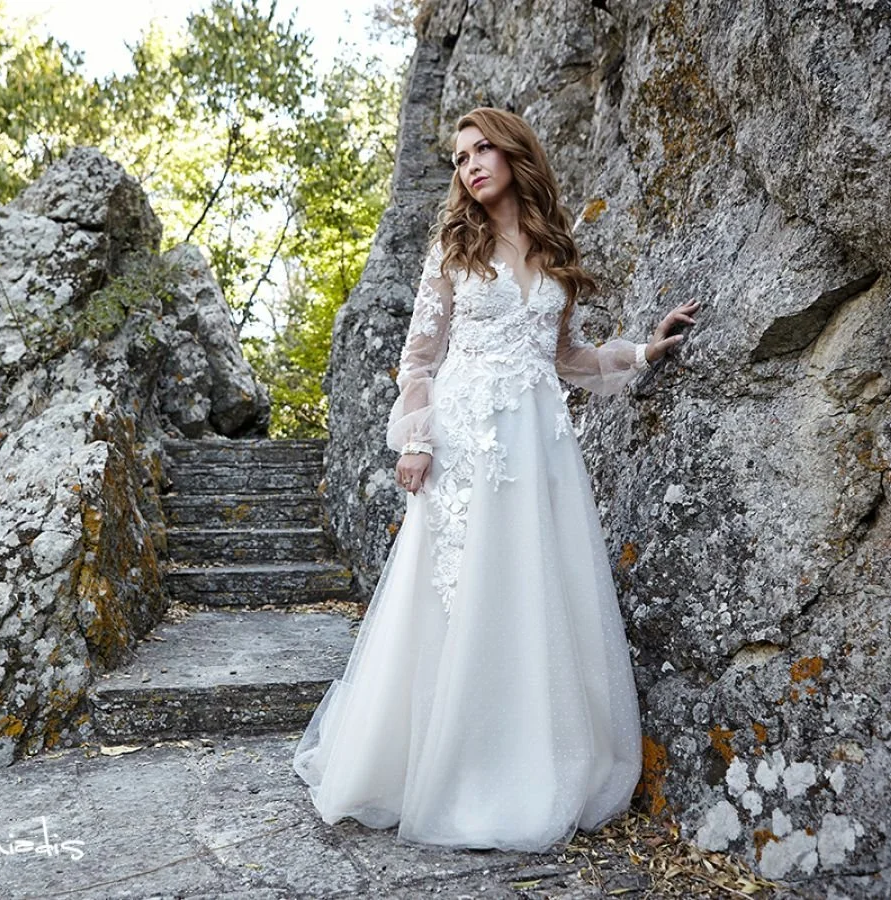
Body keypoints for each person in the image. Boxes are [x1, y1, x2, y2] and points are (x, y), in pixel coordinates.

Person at [291, 106, 701, 853]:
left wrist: (643, 352)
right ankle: (441, 761)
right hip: (464, 441)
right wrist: (415, 439)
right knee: (454, 593)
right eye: (459, 157)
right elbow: (419, 362)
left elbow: (567, 359)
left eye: (482, 150)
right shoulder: (453, 248)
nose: (470, 165)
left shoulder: (552, 247)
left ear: (515, 154)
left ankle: (524, 759)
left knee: (527, 591)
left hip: (536, 445)